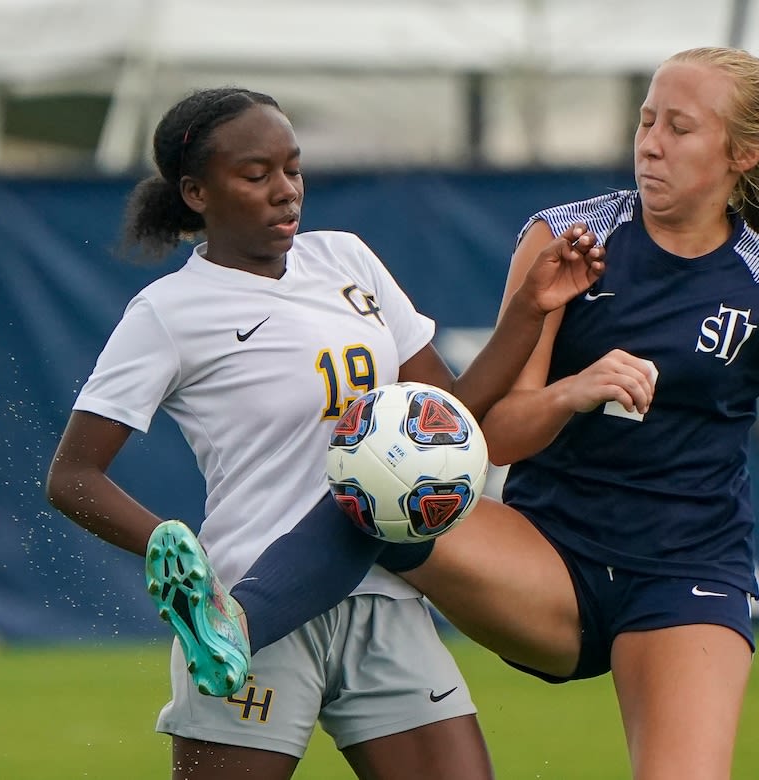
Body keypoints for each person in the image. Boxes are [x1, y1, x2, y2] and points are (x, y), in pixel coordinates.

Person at [138, 47, 759, 780]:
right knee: (385, 471)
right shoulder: (570, 237)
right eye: (645, 120)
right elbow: (490, 438)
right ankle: (237, 623)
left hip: (685, 579)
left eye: (680, 127)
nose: (652, 143)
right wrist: (577, 389)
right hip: (548, 565)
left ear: (741, 157)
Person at [44, 86, 606, 780]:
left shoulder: (347, 261)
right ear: (196, 192)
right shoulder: (169, 312)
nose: (286, 192)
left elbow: (454, 410)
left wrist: (530, 308)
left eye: (294, 169)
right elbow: (72, 478)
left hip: (387, 597)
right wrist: (164, 542)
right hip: (248, 617)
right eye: (256, 175)